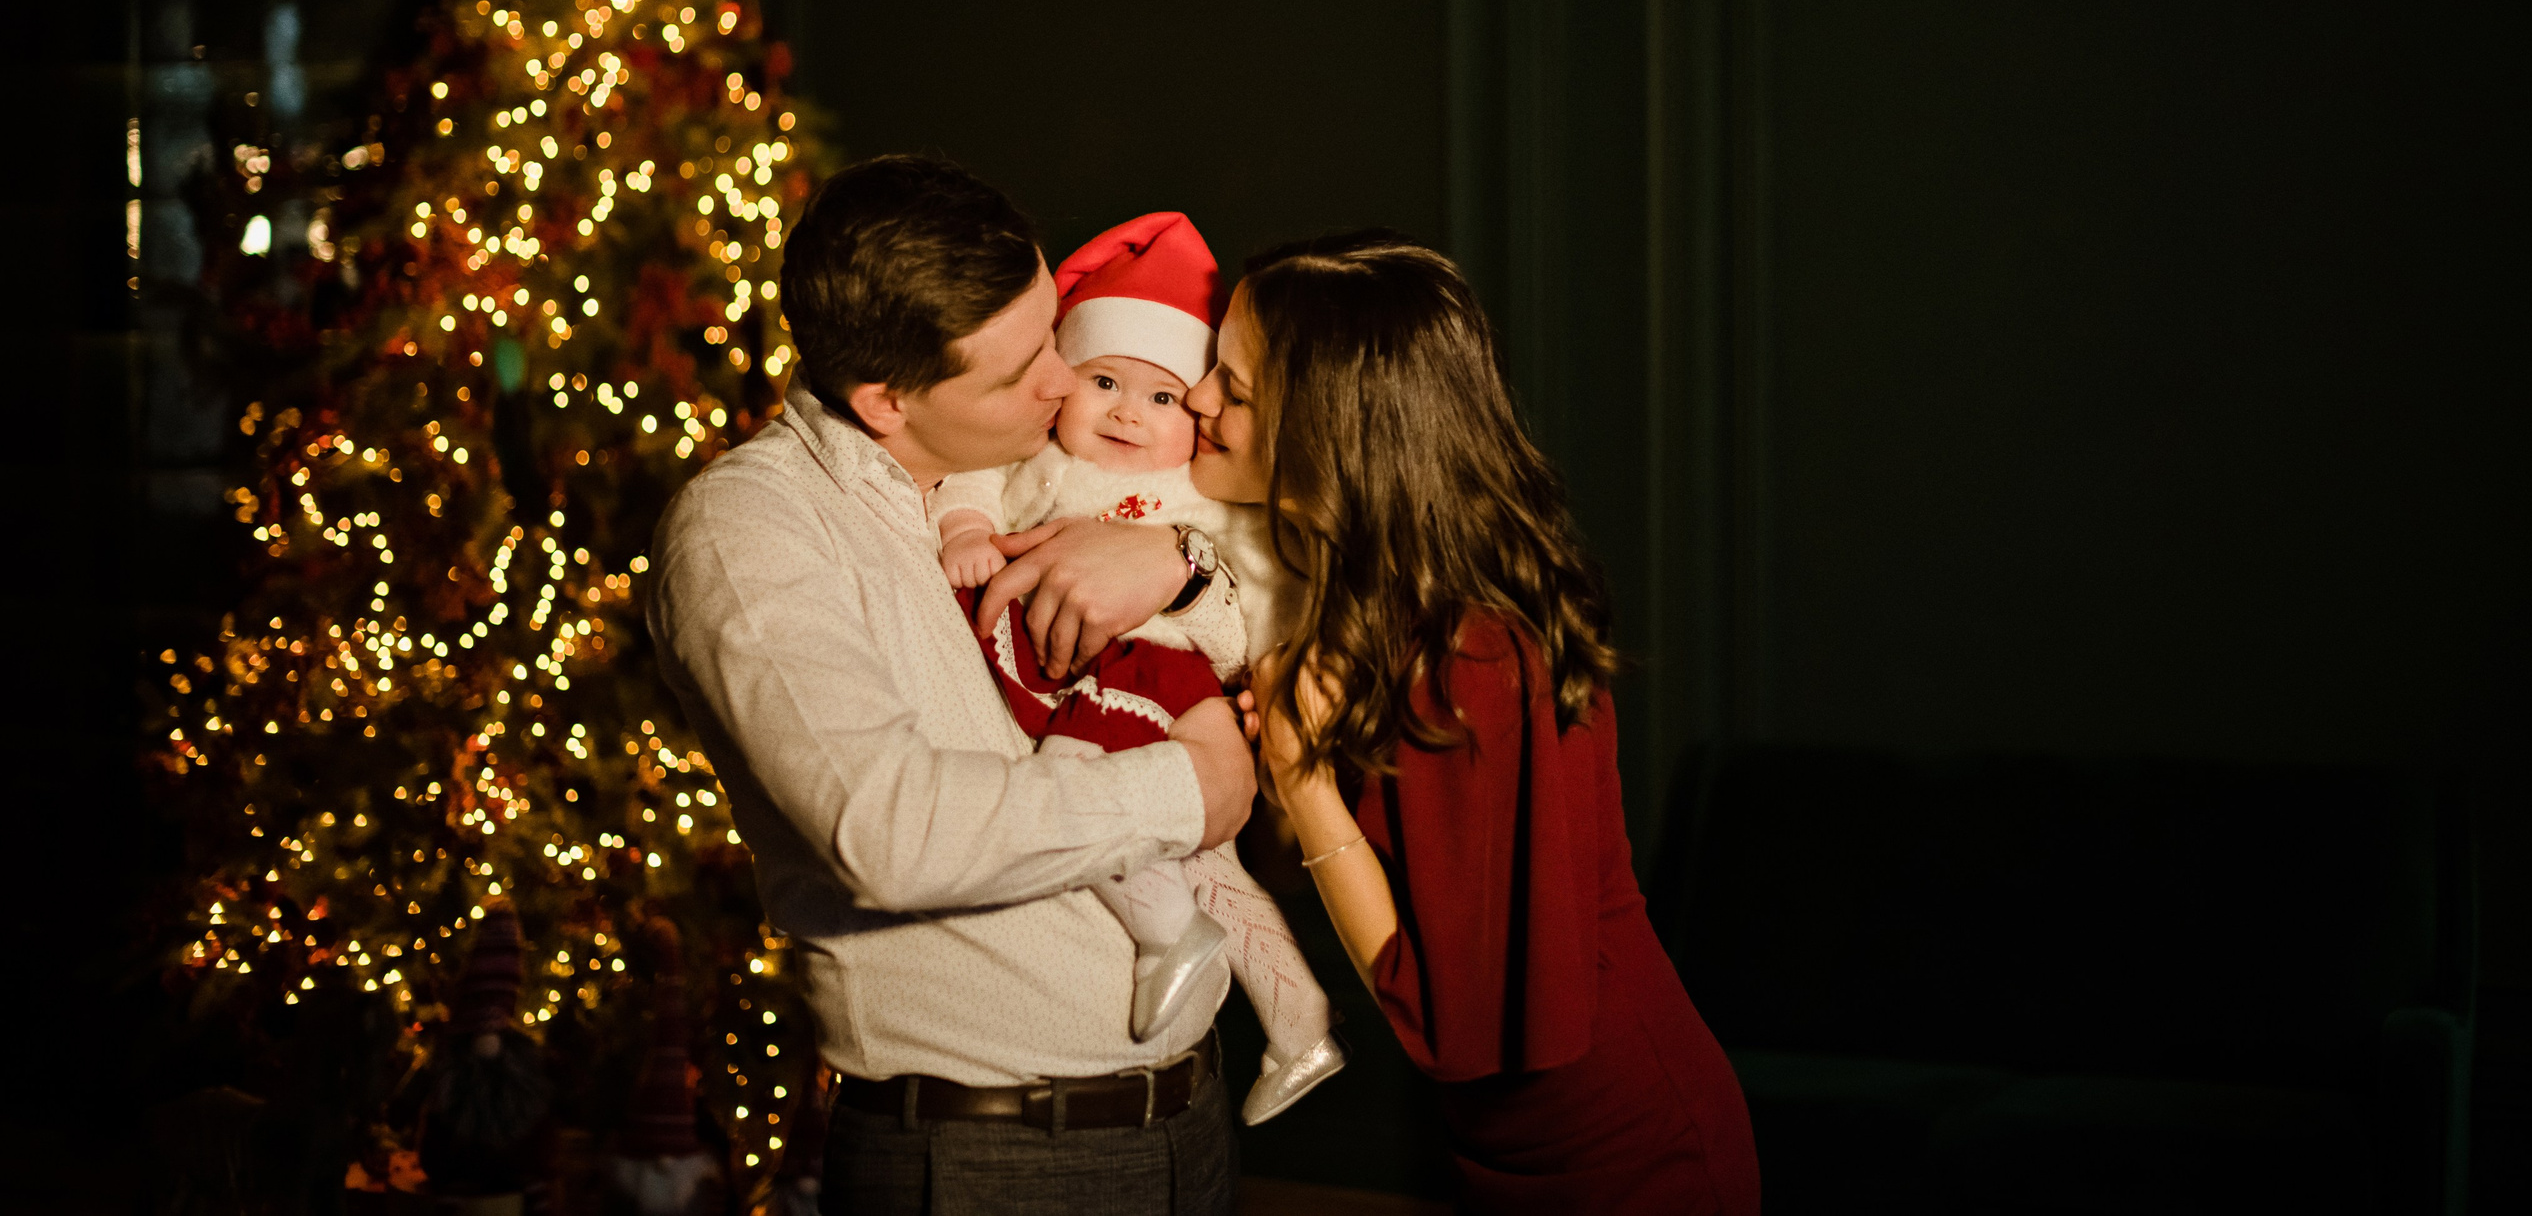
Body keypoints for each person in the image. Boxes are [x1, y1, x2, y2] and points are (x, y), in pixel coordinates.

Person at [647, 155, 1257, 1216]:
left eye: (1055, 336)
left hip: (1190, 1119)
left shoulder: (1033, 462)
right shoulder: (752, 533)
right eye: (1025, 369)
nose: (1069, 383)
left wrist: (1183, 565)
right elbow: (888, 829)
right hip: (990, 1160)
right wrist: (1188, 789)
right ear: (885, 399)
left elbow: (1249, 589)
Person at [1203, 233, 1762, 1215]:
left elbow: (1442, 1022)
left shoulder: (1480, 656)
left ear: (1330, 425)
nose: (1199, 399)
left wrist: (1299, 774)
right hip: (1503, 1143)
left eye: (1233, 388)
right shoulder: (1353, 599)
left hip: (1619, 1152)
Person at [935, 211, 1343, 1124]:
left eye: (1164, 397)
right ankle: (1298, 1018)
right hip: (1088, 677)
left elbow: (1258, 599)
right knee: (1209, 862)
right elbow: (970, 481)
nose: (1128, 410)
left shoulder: (1203, 493)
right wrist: (963, 527)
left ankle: (1169, 940)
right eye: (1105, 380)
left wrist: (1185, 566)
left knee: (1072, 789)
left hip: (1151, 677)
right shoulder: (1039, 461)